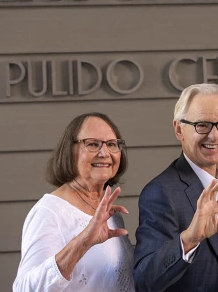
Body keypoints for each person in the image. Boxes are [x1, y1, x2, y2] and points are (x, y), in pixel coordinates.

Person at [133, 83, 218, 292]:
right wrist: (190, 238)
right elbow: (144, 279)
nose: (214, 136)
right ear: (179, 129)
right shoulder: (160, 192)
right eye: (202, 125)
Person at [13, 112, 135, 292]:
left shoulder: (107, 208)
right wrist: (83, 242)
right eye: (92, 144)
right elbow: (25, 289)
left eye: (111, 144)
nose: (104, 153)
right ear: (69, 151)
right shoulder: (49, 212)